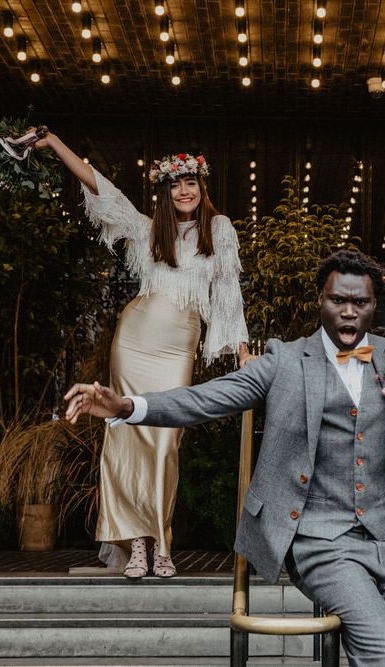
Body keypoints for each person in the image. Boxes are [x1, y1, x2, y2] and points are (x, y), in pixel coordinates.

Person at [63, 250, 385, 664]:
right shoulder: (285, 361)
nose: (350, 311)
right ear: (321, 300)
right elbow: (207, 399)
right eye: (339, 300)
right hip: (320, 543)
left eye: (361, 302)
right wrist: (127, 405)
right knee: (379, 653)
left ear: (375, 305)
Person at [34, 130, 250, 579]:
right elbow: (101, 189)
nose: (185, 190)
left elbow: (229, 296)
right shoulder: (147, 230)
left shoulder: (220, 230)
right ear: (166, 191)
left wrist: (243, 352)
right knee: (127, 438)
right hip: (133, 342)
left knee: (165, 444)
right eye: (175, 184)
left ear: (202, 186)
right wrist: (54, 143)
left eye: (191, 182)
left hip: (177, 349)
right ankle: (137, 544)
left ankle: (162, 541)